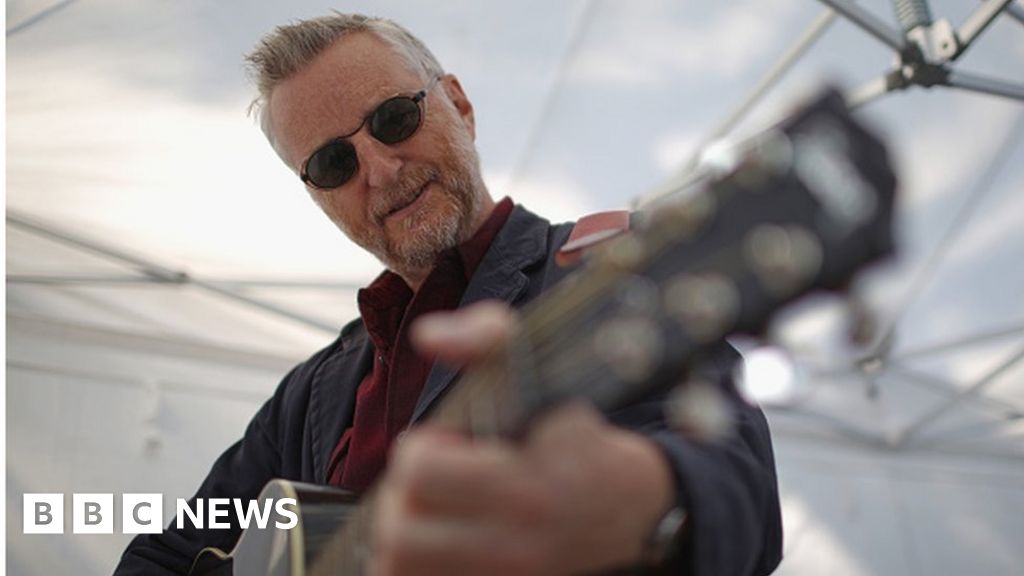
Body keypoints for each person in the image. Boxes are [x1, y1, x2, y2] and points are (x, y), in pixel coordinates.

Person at [115, 12, 782, 576]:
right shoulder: (314, 390)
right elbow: (165, 553)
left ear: (459, 105)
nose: (378, 169)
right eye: (332, 163)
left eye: (394, 118)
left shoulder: (607, 273)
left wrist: (644, 500)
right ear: (318, 196)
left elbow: (741, 494)